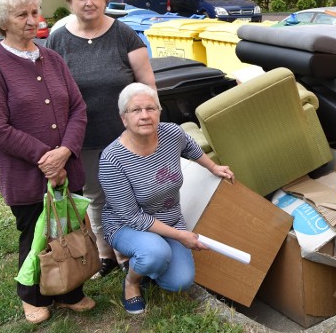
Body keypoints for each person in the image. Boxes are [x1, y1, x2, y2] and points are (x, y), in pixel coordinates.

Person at [0, 0, 94, 324]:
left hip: (66, 165)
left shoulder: (52, 58)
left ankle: (69, 289)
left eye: (34, 13)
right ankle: (32, 295)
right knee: (35, 234)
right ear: (3, 21)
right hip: (26, 172)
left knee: (67, 229)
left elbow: (77, 108)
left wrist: (66, 151)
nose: (33, 20)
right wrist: (47, 158)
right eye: (22, 15)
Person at [47, 0, 156, 279]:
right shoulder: (59, 39)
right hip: (85, 135)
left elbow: (146, 82)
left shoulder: (124, 34)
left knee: (134, 194)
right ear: (69, 1)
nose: (89, 2)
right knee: (96, 196)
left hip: (127, 135)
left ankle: (133, 250)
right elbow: (53, 92)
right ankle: (107, 254)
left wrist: (150, 121)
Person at [98, 83, 234, 314]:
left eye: (151, 109)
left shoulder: (171, 133)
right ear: (124, 118)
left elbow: (190, 146)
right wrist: (181, 236)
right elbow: (132, 217)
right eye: (136, 110)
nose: (144, 116)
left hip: (169, 219)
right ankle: (132, 281)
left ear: (159, 112)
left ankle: (148, 262)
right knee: (155, 253)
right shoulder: (112, 160)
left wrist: (213, 167)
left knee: (179, 282)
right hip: (126, 225)